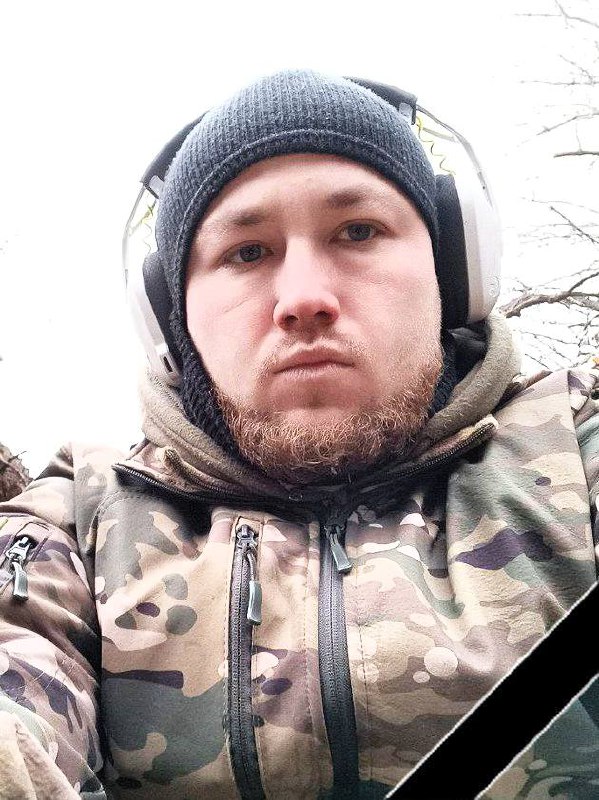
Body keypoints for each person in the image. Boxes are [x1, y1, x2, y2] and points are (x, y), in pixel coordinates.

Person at [0, 69, 597, 800]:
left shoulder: (576, 450)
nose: (304, 298)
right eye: (247, 252)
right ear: (170, 319)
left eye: (358, 231)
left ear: (454, 273)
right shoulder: (80, 520)